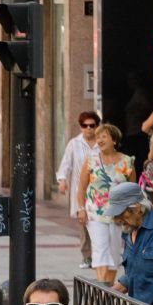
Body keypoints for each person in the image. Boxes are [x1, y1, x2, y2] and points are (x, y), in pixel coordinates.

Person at [76, 122, 136, 286]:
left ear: (114, 140)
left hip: (118, 214)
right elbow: (81, 186)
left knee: (115, 253)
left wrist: (128, 213)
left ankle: (106, 291)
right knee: (100, 248)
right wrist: (80, 209)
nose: (99, 140)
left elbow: (132, 190)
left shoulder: (126, 161)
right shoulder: (91, 160)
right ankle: (102, 291)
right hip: (95, 212)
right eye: (98, 137)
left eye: (104, 136)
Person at [109, 180, 153, 305]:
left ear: (137, 208)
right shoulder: (128, 232)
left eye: (122, 214)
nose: (118, 220)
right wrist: (106, 295)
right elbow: (133, 275)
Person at [57, 111, 101, 268]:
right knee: (83, 223)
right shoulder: (74, 144)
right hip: (80, 190)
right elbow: (66, 163)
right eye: (85, 126)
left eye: (92, 125)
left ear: (97, 126)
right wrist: (62, 180)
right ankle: (86, 256)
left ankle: (98, 256)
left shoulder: (101, 144)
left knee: (98, 223)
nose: (88, 129)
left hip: (99, 193)